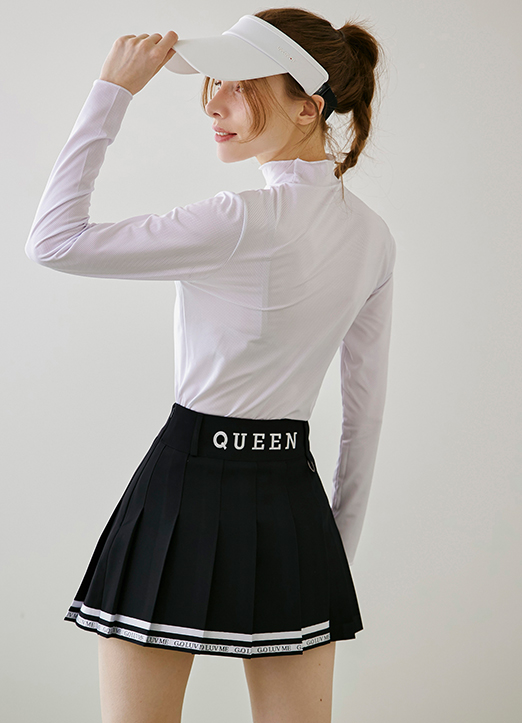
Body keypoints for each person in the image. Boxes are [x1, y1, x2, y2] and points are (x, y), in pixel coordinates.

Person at [25, 8, 396, 723]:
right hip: (294, 502)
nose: (214, 104)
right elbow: (365, 411)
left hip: (185, 482)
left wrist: (111, 92)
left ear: (308, 107)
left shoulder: (241, 217)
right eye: (214, 83)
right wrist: (333, 549)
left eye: (239, 84)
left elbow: (54, 241)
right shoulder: (373, 236)